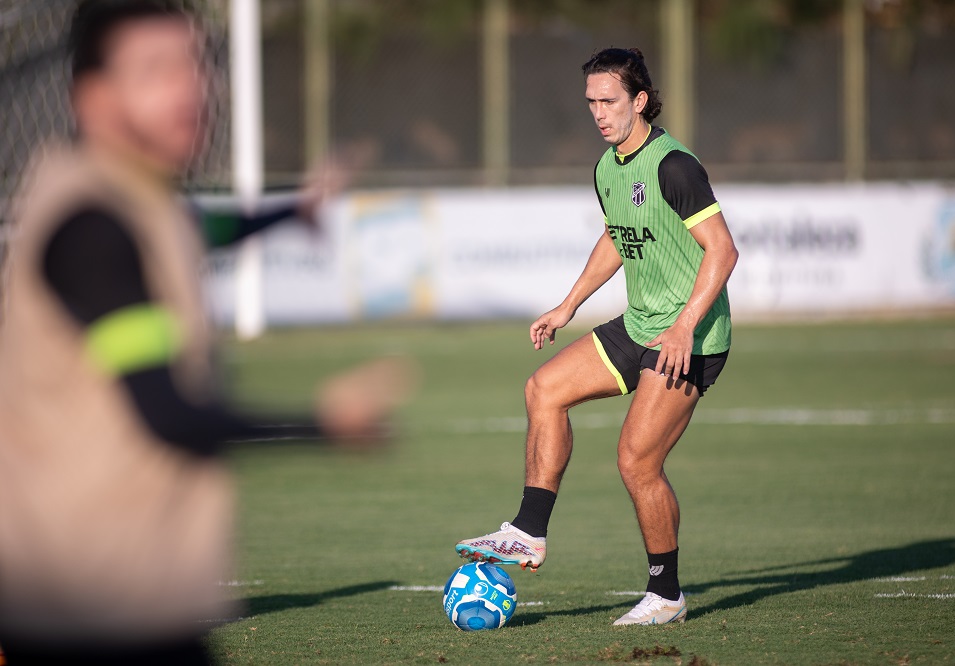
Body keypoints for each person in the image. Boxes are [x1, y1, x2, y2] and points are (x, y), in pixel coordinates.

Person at [0, 1, 409, 663]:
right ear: (93, 98)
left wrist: (291, 211)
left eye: (197, 65)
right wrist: (323, 424)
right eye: (156, 70)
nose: (191, 88)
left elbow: (200, 231)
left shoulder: (142, 202)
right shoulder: (94, 231)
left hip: (128, 598)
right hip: (86, 612)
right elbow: (164, 412)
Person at [455, 47, 738, 626]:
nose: (599, 113)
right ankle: (529, 531)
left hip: (691, 337)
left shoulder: (674, 166)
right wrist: (566, 307)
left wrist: (684, 327)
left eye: (609, 101)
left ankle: (667, 595)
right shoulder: (608, 168)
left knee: (636, 461)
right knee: (543, 389)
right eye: (591, 103)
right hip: (640, 325)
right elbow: (616, 236)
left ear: (639, 101)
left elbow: (724, 251)